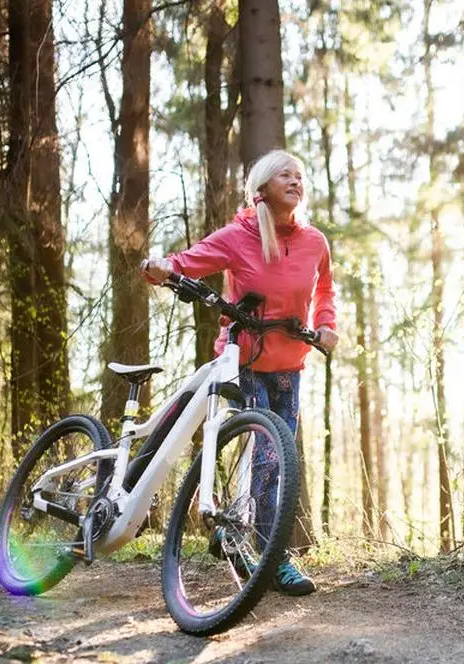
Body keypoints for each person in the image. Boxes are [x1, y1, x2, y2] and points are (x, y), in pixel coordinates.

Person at [141, 149, 338, 596]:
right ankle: (270, 554)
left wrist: (327, 326)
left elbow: (325, 289)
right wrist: (165, 267)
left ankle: (261, 549)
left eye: (300, 175)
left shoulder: (315, 242)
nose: (295, 180)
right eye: (284, 174)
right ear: (262, 187)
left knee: (279, 462)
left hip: (290, 365)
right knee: (268, 452)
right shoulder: (240, 234)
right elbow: (194, 258)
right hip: (246, 359)